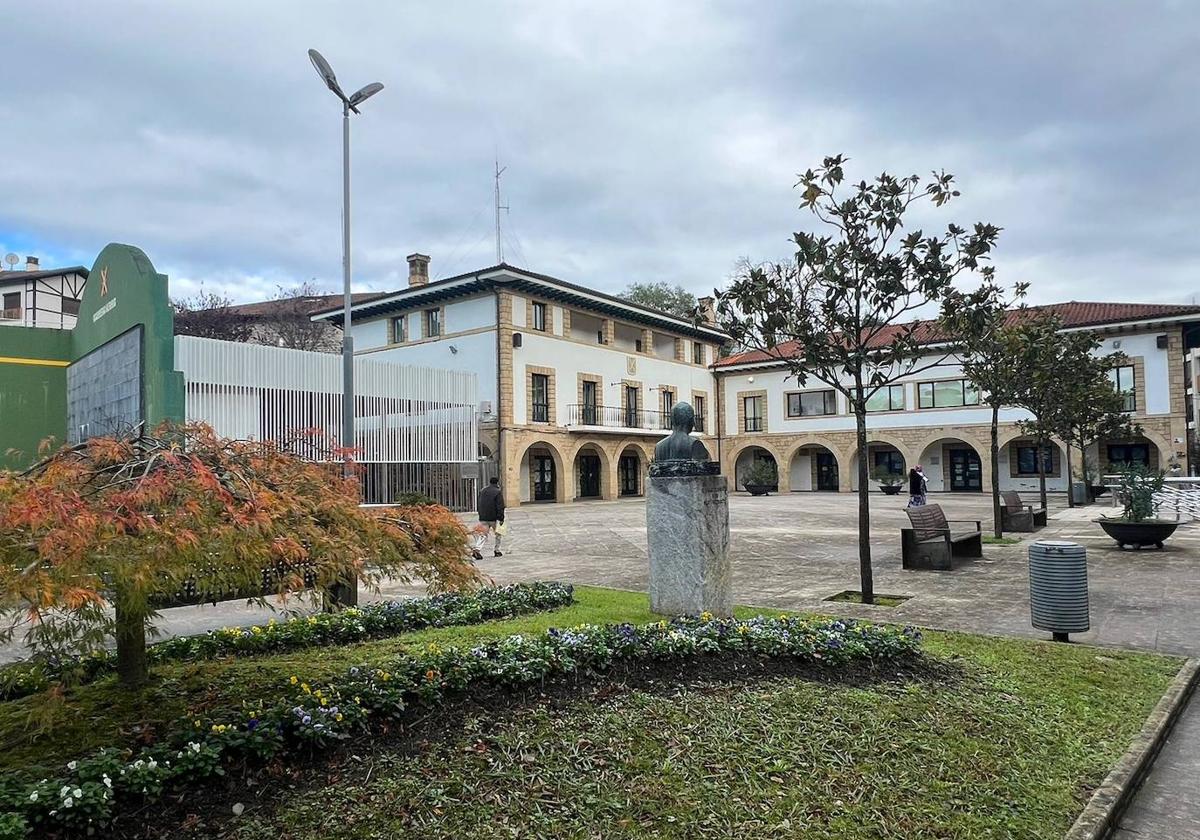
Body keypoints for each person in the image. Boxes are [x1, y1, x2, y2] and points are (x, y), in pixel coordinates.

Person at [474, 476, 505, 560]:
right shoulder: (497, 492)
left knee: (483, 535)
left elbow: (479, 503)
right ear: (497, 482)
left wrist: (480, 513)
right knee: (498, 534)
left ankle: (477, 549)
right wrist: (501, 518)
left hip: (483, 517)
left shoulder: (483, 490)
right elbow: (500, 506)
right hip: (494, 518)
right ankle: (497, 550)